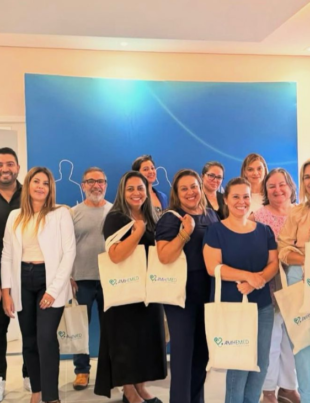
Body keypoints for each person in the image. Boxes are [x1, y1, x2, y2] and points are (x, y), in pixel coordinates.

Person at [1, 166, 76, 403]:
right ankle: (37, 391)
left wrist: (53, 291)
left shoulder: (60, 213)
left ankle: (51, 397)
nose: (41, 186)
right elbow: (7, 255)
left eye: (45, 183)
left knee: (45, 337)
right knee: (30, 340)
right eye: (36, 181)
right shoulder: (15, 216)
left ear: (50, 188)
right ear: (28, 184)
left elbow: (69, 253)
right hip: (22, 279)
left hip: (49, 280)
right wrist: (6, 292)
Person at [203, 177, 278, 403]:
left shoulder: (264, 231)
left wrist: (257, 281)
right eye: (235, 196)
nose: (241, 201)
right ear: (226, 200)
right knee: (239, 364)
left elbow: (273, 263)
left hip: (262, 306)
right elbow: (212, 267)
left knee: (260, 364)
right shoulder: (216, 231)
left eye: (246, 196)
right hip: (232, 307)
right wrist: (247, 276)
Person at [94, 171, 167, 403]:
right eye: (131, 189)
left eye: (140, 188)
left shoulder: (153, 217)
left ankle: (141, 386)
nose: (136, 193)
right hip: (124, 293)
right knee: (125, 342)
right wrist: (137, 233)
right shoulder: (115, 217)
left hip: (148, 291)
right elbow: (115, 256)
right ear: (122, 192)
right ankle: (129, 391)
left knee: (146, 341)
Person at [156, 169, 218, 403]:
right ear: (176, 193)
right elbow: (164, 256)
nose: (191, 192)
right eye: (184, 188)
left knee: (202, 357)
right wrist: (184, 233)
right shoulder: (171, 218)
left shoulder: (212, 215)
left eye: (194, 186)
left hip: (208, 294)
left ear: (201, 187)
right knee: (182, 357)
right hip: (181, 296)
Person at [251, 168, 299, 403]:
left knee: (294, 339)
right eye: (271, 186)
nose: (278, 190)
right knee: (270, 339)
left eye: (282, 184)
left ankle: (289, 387)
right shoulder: (258, 216)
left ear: (291, 187)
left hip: (298, 286)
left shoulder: (301, 213)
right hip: (268, 285)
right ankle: (268, 390)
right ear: (266, 191)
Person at [70, 167, 112, 390]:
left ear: (106, 184)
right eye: (91, 181)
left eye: (101, 181)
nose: (96, 185)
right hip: (81, 280)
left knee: (110, 328)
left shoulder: (115, 211)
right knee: (81, 328)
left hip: (110, 281)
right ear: (83, 185)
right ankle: (82, 371)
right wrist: (68, 275)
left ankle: (109, 369)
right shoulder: (73, 213)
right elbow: (65, 248)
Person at [278, 159, 310, 403]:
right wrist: (305, 260)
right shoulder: (296, 212)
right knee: (303, 348)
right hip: (299, 278)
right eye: (307, 176)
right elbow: (282, 246)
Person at [0, 147, 30, 401]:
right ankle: (0, 378)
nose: (5, 168)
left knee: (30, 327)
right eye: (0, 164)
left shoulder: (30, 194)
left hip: (27, 271)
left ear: (18, 167)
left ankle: (30, 374)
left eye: (10, 163)